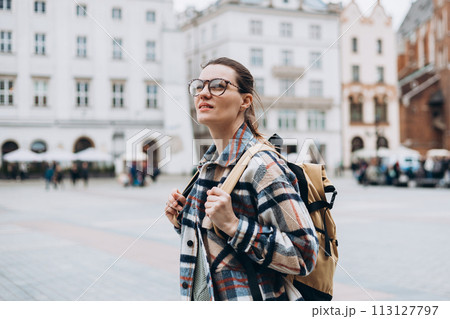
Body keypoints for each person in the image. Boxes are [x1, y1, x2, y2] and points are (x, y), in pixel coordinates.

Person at [164, 57, 318, 301]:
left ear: (245, 101)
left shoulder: (262, 165)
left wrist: (234, 226)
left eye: (217, 86)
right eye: (199, 86)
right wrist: (182, 219)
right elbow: (216, 249)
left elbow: (304, 254)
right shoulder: (208, 165)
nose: (203, 94)